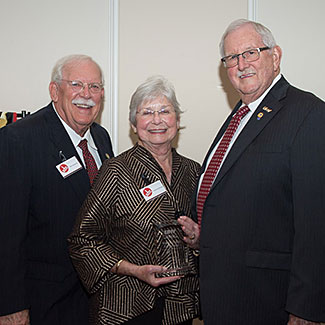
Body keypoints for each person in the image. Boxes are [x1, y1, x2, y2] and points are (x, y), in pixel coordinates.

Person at [193, 19, 325, 324]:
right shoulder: (239, 117)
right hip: (228, 295)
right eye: (231, 58)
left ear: (275, 56)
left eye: (250, 53)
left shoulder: (308, 114)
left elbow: (316, 221)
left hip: (269, 301)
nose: (241, 64)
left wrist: (306, 307)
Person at [68, 75, 200, 325]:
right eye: (147, 112)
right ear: (133, 124)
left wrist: (199, 239)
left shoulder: (194, 172)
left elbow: (216, 237)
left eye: (165, 111)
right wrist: (133, 269)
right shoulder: (116, 171)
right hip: (126, 308)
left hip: (179, 307)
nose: (157, 120)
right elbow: (82, 240)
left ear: (177, 120)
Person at [0, 54, 114, 325]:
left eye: (95, 87)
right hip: (43, 302)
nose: (86, 95)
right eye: (76, 84)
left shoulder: (101, 137)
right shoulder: (19, 139)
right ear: (54, 90)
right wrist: (10, 304)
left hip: (95, 300)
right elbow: (6, 230)